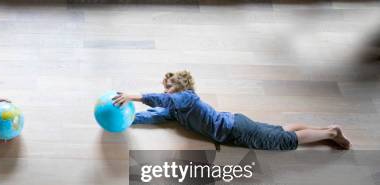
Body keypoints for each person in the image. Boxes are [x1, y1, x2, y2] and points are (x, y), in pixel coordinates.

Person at [112, 70, 350, 150]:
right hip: (236, 124)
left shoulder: (186, 98)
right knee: (280, 130)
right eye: (165, 87)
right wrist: (128, 119)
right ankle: (325, 130)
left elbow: (159, 101)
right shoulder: (176, 108)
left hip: (234, 130)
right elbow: (157, 115)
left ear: (183, 87)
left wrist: (135, 96)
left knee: (285, 141)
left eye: (169, 87)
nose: (165, 91)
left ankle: (331, 134)